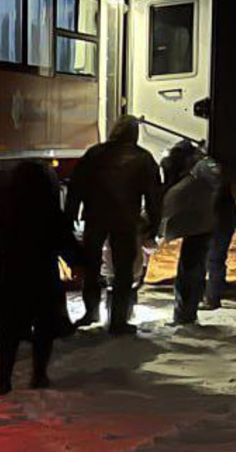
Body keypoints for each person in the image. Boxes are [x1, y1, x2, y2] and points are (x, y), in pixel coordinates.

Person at [65, 115, 163, 335]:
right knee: (123, 271)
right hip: (125, 220)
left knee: (91, 266)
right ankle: (118, 321)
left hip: (95, 217)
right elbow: (154, 196)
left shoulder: (94, 154)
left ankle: (91, 312)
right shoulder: (143, 158)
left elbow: (76, 185)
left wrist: (71, 213)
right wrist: (153, 224)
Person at [0, 161, 81, 395]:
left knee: (8, 334)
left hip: (7, 279)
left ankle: (3, 382)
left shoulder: (4, 211)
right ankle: (39, 374)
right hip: (41, 278)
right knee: (44, 329)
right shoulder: (49, 211)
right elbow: (66, 243)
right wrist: (80, 265)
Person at [159, 140, 225, 325]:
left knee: (195, 268)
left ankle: (186, 315)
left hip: (207, 223)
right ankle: (188, 312)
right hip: (203, 223)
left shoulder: (203, 167)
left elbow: (218, 176)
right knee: (194, 267)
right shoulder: (193, 175)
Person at [205, 166, 236, 310]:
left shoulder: (215, 195)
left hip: (218, 224)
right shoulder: (224, 195)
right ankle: (216, 290)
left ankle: (213, 297)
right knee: (217, 259)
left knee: (214, 260)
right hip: (225, 221)